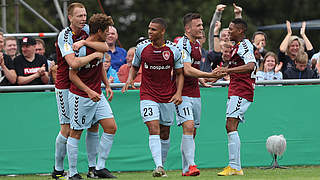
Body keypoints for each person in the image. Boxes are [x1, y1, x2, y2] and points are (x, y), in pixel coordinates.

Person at [52, 2, 110, 179]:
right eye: (79, 16)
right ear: (70, 18)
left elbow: (105, 47)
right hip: (65, 86)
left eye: (84, 15)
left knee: (93, 126)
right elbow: (73, 63)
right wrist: (93, 54)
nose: (83, 19)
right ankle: (58, 169)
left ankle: (93, 168)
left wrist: (85, 42)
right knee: (67, 129)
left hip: (83, 86)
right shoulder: (65, 36)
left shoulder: (86, 31)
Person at [121, 17, 184, 178]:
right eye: (149, 28)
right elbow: (134, 67)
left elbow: (179, 74)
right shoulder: (141, 48)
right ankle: (158, 165)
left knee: (165, 132)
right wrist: (129, 79)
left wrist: (178, 93)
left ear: (162, 31)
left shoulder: (173, 50)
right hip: (147, 94)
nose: (150, 31)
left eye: (153, 29)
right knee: (153, 128)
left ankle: (161, 167)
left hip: (167, 96)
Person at [68, 13, 117, 180]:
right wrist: (88, 91)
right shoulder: (81, 48)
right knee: (76, 133)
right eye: (107, 31)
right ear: (99, 31)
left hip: (98, 94)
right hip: (81, 95)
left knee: (110, 127)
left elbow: (99, 66)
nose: (109, 35)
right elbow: (72, 75)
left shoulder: (99, 45)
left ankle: (98, 167)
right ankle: (72, 172)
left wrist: (107, 85)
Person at [175, 13, 225, 176]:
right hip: (181, 94)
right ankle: (191, 165)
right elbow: (187, 69)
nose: (202, 28)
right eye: (198, 25)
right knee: (188, 126)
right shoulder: (182, 43)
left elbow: (193, 70)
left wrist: (202, 80)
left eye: (202, 25)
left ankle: (185, 168)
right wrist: (210, 75)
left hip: (195, 93)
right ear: (188, 28)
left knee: (192, 131)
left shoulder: (196, 44)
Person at [217, 18, 256, 176]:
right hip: (235, 89)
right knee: (230, 125)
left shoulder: (245, 45)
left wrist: (227, 72)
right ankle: (234, 166)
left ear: (240, 31)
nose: (228, 31)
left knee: (230, 125)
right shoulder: (237, 47)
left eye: (231, 29)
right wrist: (208, 78)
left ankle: (235, 166)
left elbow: (250, 65)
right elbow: (228, 69)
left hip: (242, 90)